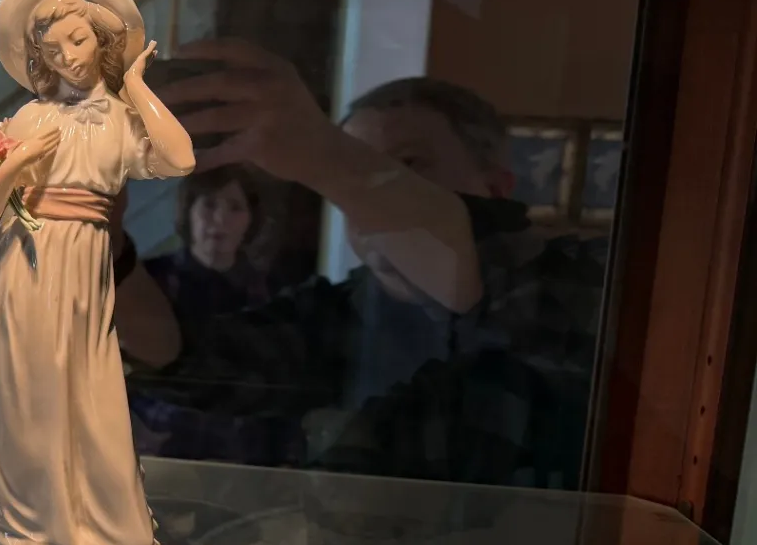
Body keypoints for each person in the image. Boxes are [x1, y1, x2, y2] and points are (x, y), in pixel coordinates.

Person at [117, 39, 607, 487]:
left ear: (496, 187)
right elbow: (182, 357)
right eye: (364, 165)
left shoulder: (589, 283)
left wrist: (326, 156)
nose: (359, 196)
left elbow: (507, 286)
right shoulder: (339, 317)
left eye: (408, 166)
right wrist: (97, 231)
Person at [0, 0, 196, 545]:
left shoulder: (121, 119)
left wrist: (137, 85)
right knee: (30, 433)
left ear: (101, 41)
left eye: (77, 40)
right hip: (21, 276)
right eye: (52, 48)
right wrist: (11, 172)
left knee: (96, 434)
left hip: (84, 279)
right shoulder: (30, 120)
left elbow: (180, 157)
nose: (66, 57)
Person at [122, 166, 300, 464]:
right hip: (160, 453)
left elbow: (286, 386)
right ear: (189, 212)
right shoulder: (151, 283)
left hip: (244, 460)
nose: (220, 220)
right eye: (209, 205)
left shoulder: (271, 292)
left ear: (251, 220)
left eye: (235, 208)